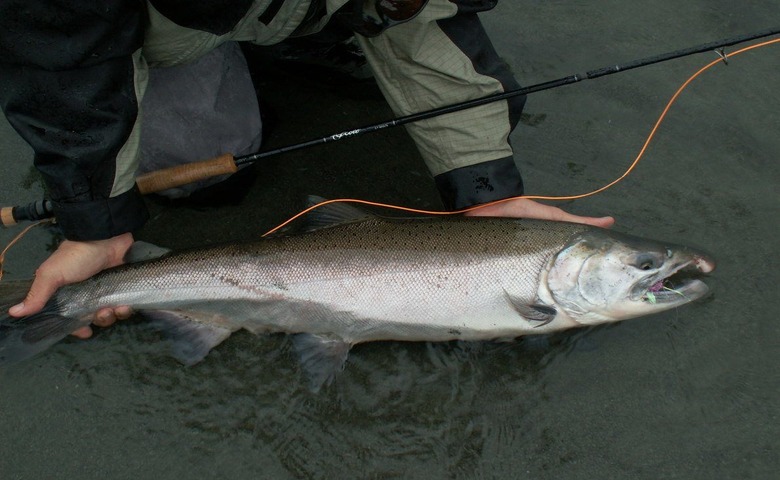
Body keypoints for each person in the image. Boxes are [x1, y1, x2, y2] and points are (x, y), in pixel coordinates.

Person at [0, 0, 613, 338]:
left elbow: (435, 27)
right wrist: (95, 222)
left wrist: (484, 189)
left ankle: (300, 31)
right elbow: (61, 55)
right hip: (130, 23)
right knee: (195, 168)